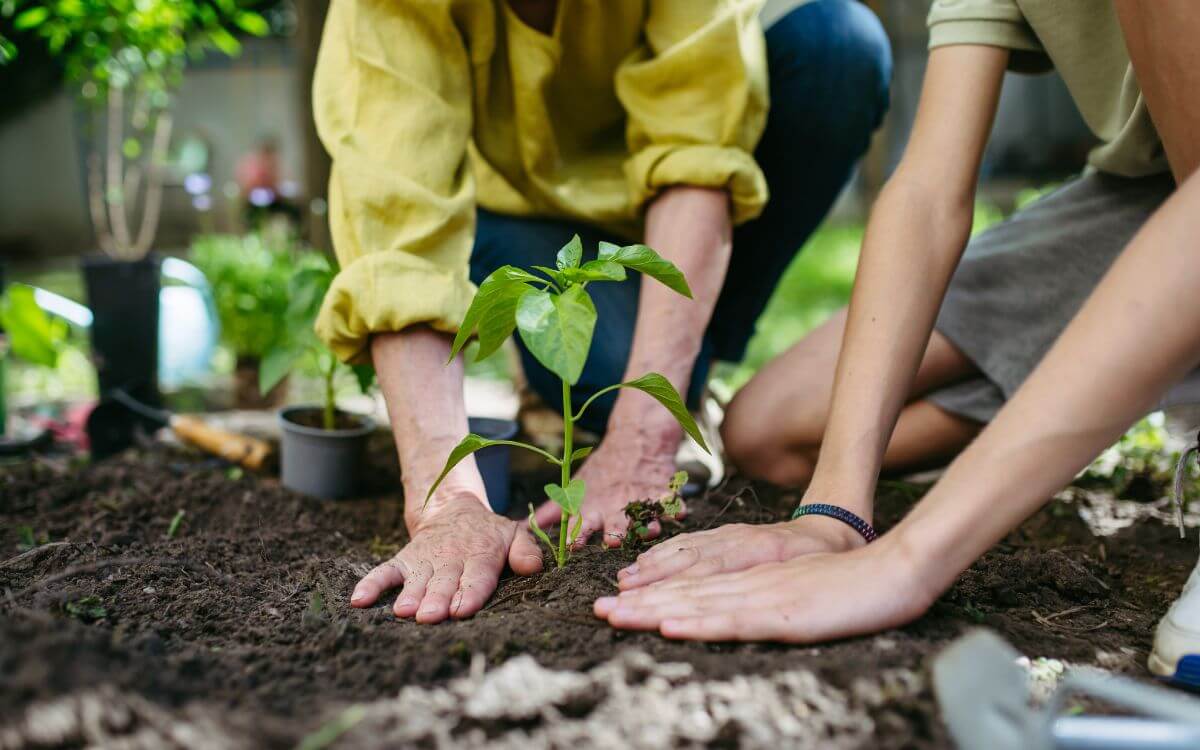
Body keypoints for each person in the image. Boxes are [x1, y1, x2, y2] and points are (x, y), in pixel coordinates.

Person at [594, 0, 1200, 686]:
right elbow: (928, 192)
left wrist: (909, 560)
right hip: (1139, 198)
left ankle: (1143, 373)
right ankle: (1130, 378)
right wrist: (834, 515)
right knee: (770, 430)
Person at [312, 0, 892, 623]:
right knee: (608, 376)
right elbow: (400, 238)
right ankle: (666, 383)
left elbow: (697, 150)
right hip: (513, 213)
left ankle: (683, 382)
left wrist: (645, 435)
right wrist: (446, 502)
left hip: (664, 218)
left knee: (838, 45)